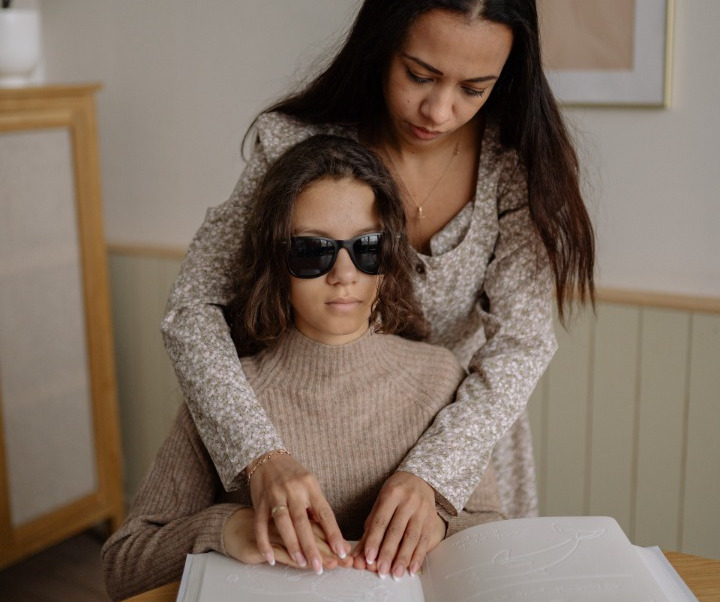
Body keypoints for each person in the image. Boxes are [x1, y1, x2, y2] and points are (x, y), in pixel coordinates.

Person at [161, 0, 595, 585]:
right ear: (381, 45)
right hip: (307, 422)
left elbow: (522, 341)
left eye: (474, 88)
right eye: (419, 74)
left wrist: (436, 476)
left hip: (456, 430)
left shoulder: (514, 168)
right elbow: (193, 305)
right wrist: (258, 455)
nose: (439, 109)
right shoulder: (297, 146)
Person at [102, 135, 504, 601]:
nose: (344, 272)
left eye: (366, 248)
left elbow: (493, 527)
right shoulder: (228, 393)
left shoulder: (440, 378)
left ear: (388, 256)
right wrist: (227, 528)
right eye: (314, 252)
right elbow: (123, 564)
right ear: (277, 261)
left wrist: (438, 522)